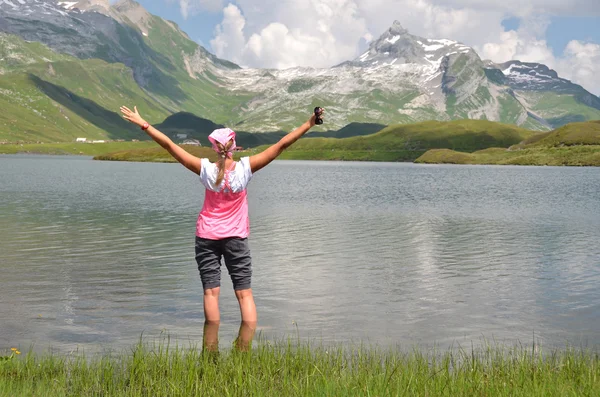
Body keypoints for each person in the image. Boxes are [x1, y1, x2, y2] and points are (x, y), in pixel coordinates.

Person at [120, 105, 325, 351]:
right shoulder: (246, 168)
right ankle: (243, 352)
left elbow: (168, 146)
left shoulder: (205, 168)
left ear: (215, 147)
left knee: (211, 293)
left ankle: (211, 351)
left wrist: (144, 124)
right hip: (237, 238)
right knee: (244, 294)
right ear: (233, 146)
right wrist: (309, 123)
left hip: (206, 237)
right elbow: (281, 145)